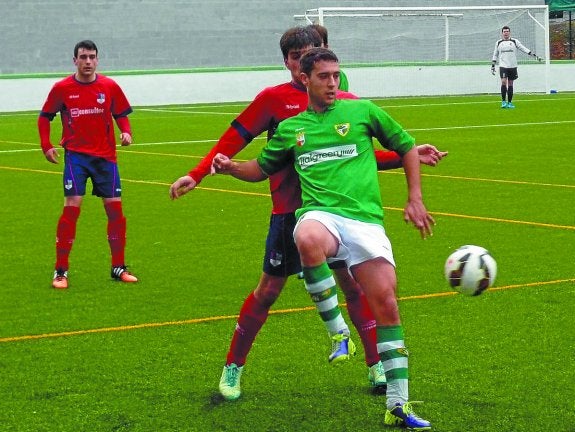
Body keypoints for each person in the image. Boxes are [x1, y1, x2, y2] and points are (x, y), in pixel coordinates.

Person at [170, 27, 445, 402]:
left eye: (314, 51)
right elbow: (234, 142)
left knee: (354, 287)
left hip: (339, 213)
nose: (309, 62)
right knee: (268, 291)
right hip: (290, 211)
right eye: (298, 55)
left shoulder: (344, 100)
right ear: (289, 63)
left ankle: (375, 364)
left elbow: (353, 153)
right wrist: (199, 173)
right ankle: (233, 367)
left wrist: (403, 156)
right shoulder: (273, 100)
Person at [38, 40, 138, 289]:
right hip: (76, 158)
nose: (88, 62)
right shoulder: (62, 88)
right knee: (71, 209)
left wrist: (126, 132)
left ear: (97, 59)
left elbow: (121, 114)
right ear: (75, 60)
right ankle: (60, 271)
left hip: (106, 158)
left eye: (92, 57)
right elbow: (44, 117)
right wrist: (46, 145)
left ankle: (118, 267)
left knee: (115, 211)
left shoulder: (109, 86)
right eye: (83, 57)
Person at [491, 25, 542, 109]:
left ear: (509, 32)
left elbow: (523, 48)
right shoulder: (498, 42)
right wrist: (493, 65)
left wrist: (534, 55)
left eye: (507, 31)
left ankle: (510, 102)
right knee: (503, 82)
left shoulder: (515, 41)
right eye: (504, 32)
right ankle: (503, 102)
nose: (506, 33)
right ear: (502, 33)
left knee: (510, 83)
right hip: (503, 66)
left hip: (513, 66)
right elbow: (495, 54)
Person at [308, 23, 349, 91]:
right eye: (308, 44)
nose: (312, 48)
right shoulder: (301, 72)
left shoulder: (339, 75)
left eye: (316, 44)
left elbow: (342, 95)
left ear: (325, 46)